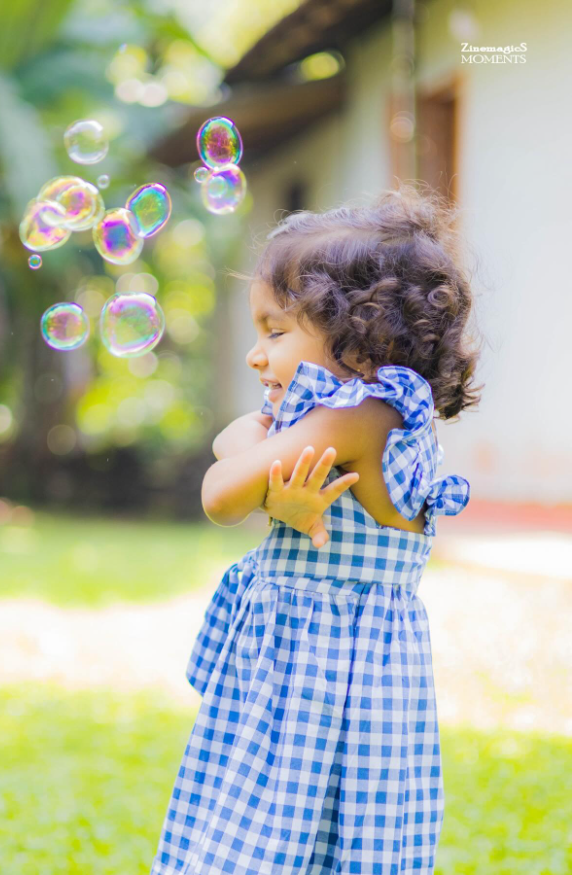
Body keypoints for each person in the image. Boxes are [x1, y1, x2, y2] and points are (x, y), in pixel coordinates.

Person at [150, 183, 482, 875]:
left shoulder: (349, 419)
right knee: (342, 838)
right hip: (344, 673)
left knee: (265, 835)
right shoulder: (376, 417)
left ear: (364, 337)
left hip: (313, 674)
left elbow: (218, 492)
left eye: (276, 330)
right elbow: (238, 438)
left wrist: (265, 494)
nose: (255, 354)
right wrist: (273, 493)